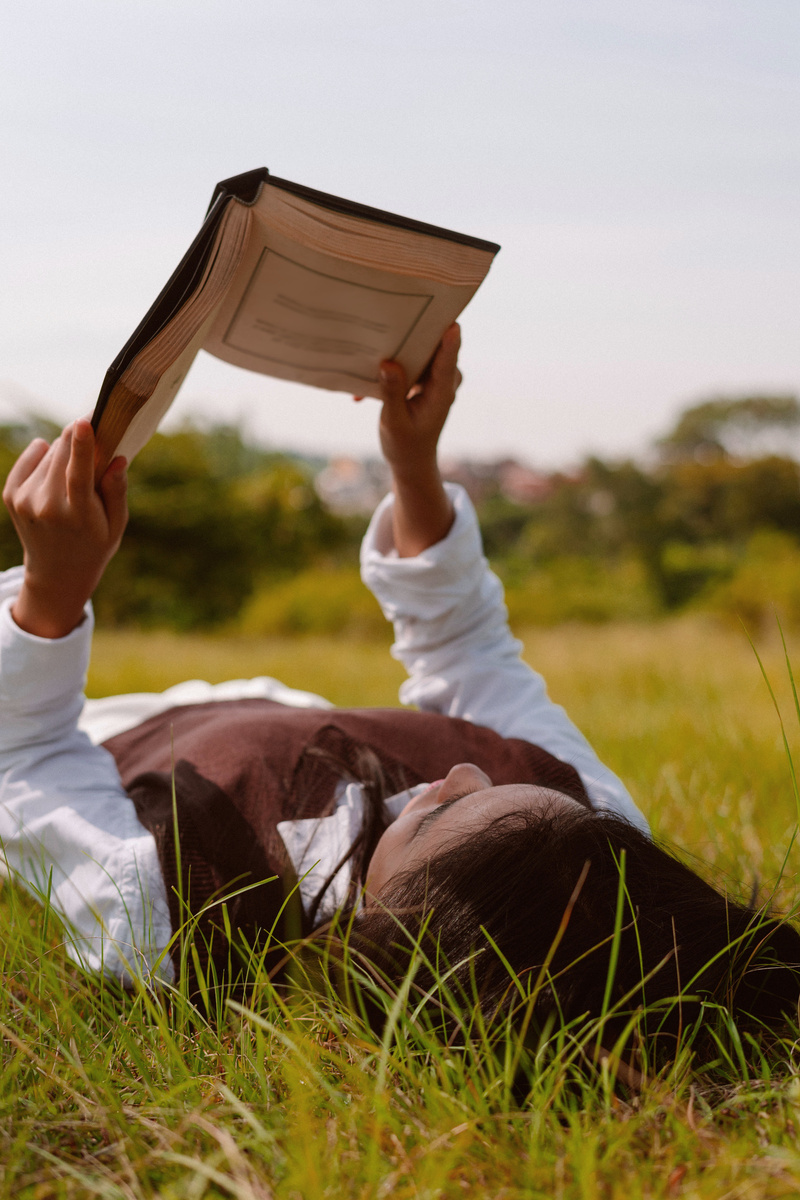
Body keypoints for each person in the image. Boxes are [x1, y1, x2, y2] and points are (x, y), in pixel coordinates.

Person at [1, 325, 798, 1067]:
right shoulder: (584, 832)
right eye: (507, 786)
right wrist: (416, 467)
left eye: (441, 818)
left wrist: (53, 589)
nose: (457, 775)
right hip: (272, 711)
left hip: (101, 735)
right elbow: (470, 649)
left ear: (387, 936)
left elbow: (24, 756)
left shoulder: (167, 908)